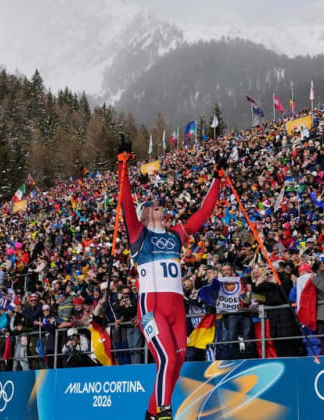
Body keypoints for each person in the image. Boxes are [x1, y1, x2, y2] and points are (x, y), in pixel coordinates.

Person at [117, 144, 225, 420]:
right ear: (143, 215)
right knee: (166, 358)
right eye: (153, 205)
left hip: (177, 308)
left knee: (176, 362)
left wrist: (218, 179)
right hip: (152, 307)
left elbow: (202, 215)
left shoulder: (176, 235)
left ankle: (152, 414)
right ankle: (165, 413)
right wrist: (123, 165)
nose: (159, 206)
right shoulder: (139, 235)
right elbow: (126, 202)